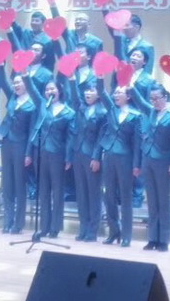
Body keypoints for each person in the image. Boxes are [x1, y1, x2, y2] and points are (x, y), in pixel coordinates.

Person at [28, 79, 75, 238]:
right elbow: (32, 89)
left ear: (59, 91)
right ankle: (44, 227)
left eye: (52, 89)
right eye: (47, 89)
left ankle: (55, 227)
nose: (49, 92)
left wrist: (68, 158)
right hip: (41, 153)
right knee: (43, 191)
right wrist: (26, 75)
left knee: (57, 191)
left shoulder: (69, 112)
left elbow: (70, 138)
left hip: (58, 154)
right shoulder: (43, 105)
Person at [137, 85, 170, 252]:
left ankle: (164, 239)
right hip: (148, 159)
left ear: (165, 97)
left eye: (157, 98)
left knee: (163, 201)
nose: (154, 102)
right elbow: (140, 101)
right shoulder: (151, 112)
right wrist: (130, 86)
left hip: (164, 161)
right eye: (152, 99)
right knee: (151, 201)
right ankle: (152, 238)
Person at [99, 84, 143, 247]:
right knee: (108, 195)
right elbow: (101, 91)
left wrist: (136, 165)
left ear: (128, 96)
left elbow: (137, 143)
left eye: (120, 93)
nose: (116, 95)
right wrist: (100, 77)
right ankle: (113, 231)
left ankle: (126, 235)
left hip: (126, 158)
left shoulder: (136, 116)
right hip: (109, 156)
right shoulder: (112, 110)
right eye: (115, 92)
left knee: (125, 197)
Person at [0, 72, 41, 235]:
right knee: (7, 184)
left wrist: (28, 153)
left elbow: (32, 131)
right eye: (14, 83)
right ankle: (7, 221)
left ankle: (18, 223)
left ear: (26, 84)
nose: (16, 85)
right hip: (7, 143)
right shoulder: (12, 98)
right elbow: (3, 81)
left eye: (19, 82)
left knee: (19, 185)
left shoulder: (32, 104)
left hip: (21, 146)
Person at [68, 79, 108, 242]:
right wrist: (72, 80)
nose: (88, 93)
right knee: (81, 193)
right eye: (86, 91)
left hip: (92, 156)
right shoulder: (81, 108)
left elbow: (101, 137)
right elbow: (75, 96)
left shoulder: (103, 112)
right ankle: (83, 228)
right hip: (78, 153)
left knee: (94, 194)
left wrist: (96, 157)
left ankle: (93, 230)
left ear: (99, 94)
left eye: (92, 91)